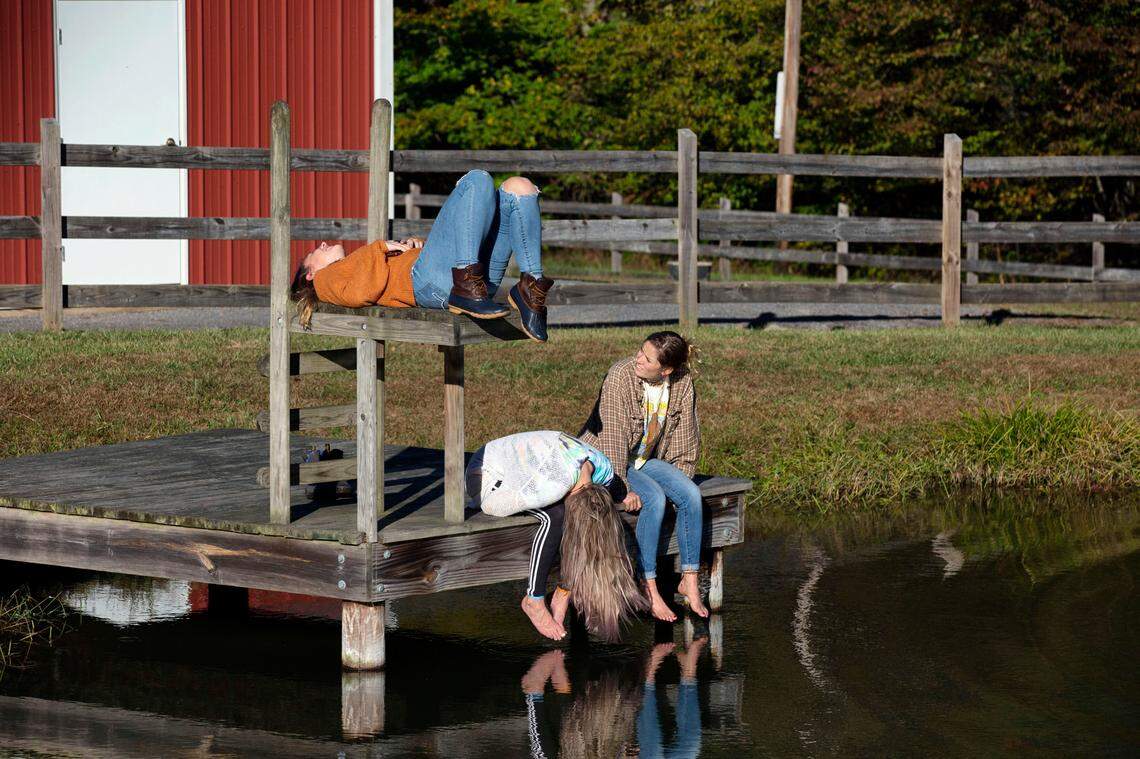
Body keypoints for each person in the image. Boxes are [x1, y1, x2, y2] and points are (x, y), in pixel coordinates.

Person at [290, 170, 554, 342]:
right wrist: (380, 247)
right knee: (477, 179)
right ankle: (469, 286)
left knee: (519, 186)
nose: (322, 244)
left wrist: (418, 249)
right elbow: (361, 293)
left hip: (469, 282)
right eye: (314, 252)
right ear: (310, 273)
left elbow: (372, 277)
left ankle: (530, 289)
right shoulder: (324, 280)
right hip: (432, 283)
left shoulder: (350, 267)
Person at [465, 430, 646, 641]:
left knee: (590, 524)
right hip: (486, 473)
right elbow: (490, 505)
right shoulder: (551, 486)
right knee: (556, 516)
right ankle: (534, 599)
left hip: (543, 465)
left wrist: (625, 495)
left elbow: (616, 486)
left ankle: (563, 592)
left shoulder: (602, 468)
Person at [579, 331, 708, 621]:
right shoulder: (620, 376)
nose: (637, 358)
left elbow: (686, 437)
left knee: (691, 495)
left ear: (666, 370)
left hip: (645, 459)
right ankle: (648, 586)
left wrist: (680, 479)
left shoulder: (682, 381)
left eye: (646, 358)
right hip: (609, 461)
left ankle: (689, 579)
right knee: (654, 499)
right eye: (640, 351)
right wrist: (620, 489)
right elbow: (611, 437)